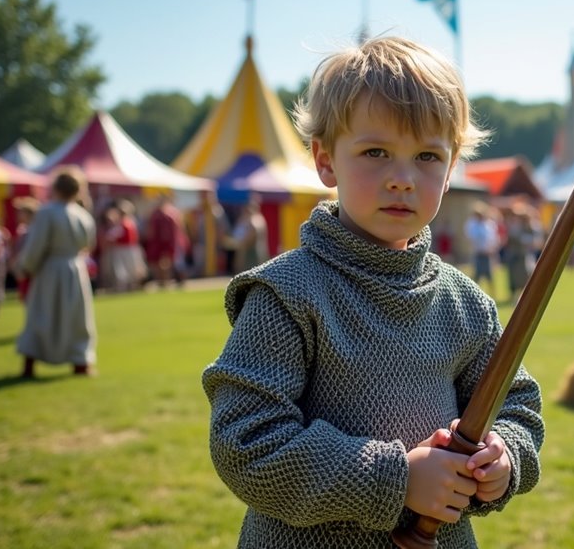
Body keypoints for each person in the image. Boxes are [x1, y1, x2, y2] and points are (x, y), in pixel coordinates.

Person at [201, 36, 544, 548]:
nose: (403, 178)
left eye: (428, 156)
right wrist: (397, 479)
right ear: (326, 161)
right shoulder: (287, 293)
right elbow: (246, 441)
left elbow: (515, 406)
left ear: (450, 172)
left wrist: (504, 457)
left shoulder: (466, 303)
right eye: (376, 152)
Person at [15, 167, 97, 378]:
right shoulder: (82, 215)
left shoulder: (46, 213)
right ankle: (80, 363)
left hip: (50, 270)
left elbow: (36, 245)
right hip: (75, 270)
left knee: (41, 314)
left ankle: (29, 364)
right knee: (76, 318)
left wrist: (26, 267)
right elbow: (89, 243)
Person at [145, 193, 189, 288]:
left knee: (175, 262)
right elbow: (151, 230)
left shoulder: (171, 212)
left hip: (173, 242)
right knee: (162, 263)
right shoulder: (156, 213)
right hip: (161, 242)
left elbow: (179, 228)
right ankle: (163, 282)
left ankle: (178, 280)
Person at [464, 201, 500, 298]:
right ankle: (471, 294)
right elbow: (471, 237)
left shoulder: (489, 225)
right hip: (478, 253)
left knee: (490, 277)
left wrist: (493, 250)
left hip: (488, 254)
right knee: (477, 276)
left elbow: (494, 239)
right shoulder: (473, 225)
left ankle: (493, 295)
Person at [10, 196, 39, 301]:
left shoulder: (34, 231)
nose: (18, 215)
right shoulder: (24, 230)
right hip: (24, 271)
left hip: (30, 272)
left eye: (21, 212)